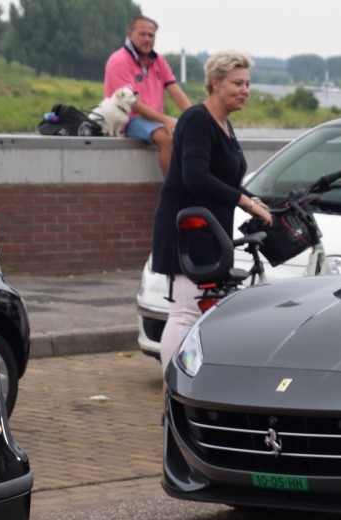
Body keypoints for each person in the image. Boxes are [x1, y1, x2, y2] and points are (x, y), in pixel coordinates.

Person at [151, 51, 272, 367]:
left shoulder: (225, 125)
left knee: (200, 310)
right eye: (237, 83)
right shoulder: (196, 119)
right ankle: (173, 387)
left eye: (247, 83)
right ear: (215, 82)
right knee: (185, 311)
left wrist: (253, 200)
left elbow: (225, 178)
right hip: (188, 231)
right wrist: (243, 201)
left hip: (210, 231)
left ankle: (194, 378)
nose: (245, 89)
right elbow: (196, 176)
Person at [104, 15, 192, 175]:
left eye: (151, 35)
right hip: (129, 119)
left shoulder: (158, 60)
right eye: (142, 34)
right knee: (168, 138)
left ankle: (195, 186)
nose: (147, 39)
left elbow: (175, 91)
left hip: (154, 119)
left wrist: (196, 116)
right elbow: (134, 104)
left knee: (193, 132)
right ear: (130, 34)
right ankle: (173, 191)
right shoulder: (119, 61)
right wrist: (166, 120)